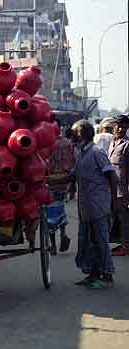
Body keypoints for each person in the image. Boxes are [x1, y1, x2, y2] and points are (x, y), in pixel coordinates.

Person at [48, 120, 117, 289]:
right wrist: (46, 180)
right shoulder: (81, 154)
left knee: (100, 241)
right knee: (88, 241)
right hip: (86, 206)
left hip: (98, 205)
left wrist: (114, 201)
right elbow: (71, 176)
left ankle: (107, 276)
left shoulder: (96, 152)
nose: (72, 137)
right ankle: (93, 274)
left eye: (74, 134)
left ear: (81, 134)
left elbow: (111, 175)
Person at [45, 120, 75, 255]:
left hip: (49, 181)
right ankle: (63, 233)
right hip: (63, 182)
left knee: (49, 214)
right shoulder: (67, 143)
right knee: (60, 209)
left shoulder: (45, 143)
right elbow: (73, 164)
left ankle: (53, 244)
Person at [108, 114, 129, 256]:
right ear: (114, 126)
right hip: (111, 188)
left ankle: (126, 246)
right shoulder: (112, 143)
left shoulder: (127, 144)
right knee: (114, 218)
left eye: (125, 127)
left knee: (124, 218)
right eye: (119, 126)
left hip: (124, 190)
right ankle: (121, 243)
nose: (121, 129)